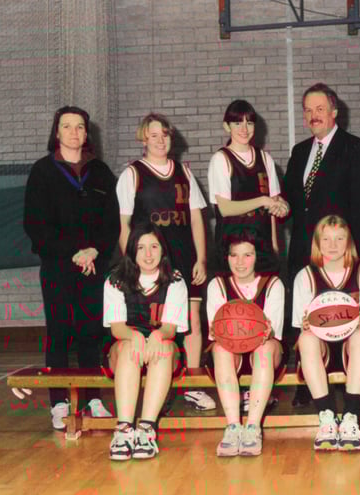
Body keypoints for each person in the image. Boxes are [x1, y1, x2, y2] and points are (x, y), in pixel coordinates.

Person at [23, 106, 120, 431]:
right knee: (60, 332)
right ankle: (59, 402)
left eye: (79, 126)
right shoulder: (42, 171)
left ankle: (93, 398)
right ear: (57, 132)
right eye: (67, 126)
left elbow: (111, 223)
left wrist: (95, 250)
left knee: (92, 332)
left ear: (86, 133)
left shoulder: (100, 171)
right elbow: (35, 225)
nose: (74, 132)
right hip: (58, 266)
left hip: (94, 265)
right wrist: (73, 253)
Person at [116, 113, 215, 411]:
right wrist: (131, 262)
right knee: (154, 319)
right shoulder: (132, 174)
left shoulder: (184, 172)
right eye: (154, 135)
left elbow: (196, 218)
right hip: (148, 257)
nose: (160, 140)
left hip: (183, 255)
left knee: (193, 320)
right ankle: (153, 381)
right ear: (143, 139)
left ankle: (193, 385)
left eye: (165, 134)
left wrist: (201, 258)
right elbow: (124, 225)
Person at [283, 83, 360, 407]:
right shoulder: (299, 152)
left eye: (319, 109)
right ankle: (306, 383)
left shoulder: (356, 148)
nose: (313, 115)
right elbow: (293, 201)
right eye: (308, 110)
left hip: (338, 250)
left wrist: (353, 253)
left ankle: (347, 380)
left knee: (341, 314)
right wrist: (279, 206)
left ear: (335, 111)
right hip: (304, 250)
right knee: (305, 317)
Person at [292, 215, 360, 451]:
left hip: (353, 349)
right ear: (317, 243)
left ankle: (351, 417)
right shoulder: (305, 276)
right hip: (321, 350)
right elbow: (301, 325)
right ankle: (327, 418)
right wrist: (308, 325)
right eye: (326, 239)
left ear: (349, 242)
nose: (333, 245)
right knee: (306, 338)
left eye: (339, 238)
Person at [103, 223, 187, 460]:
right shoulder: (115, 280)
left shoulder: (175, 280)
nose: (148, 254)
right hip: (126, 346)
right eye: (141, 248)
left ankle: (146, 430)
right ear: (132, 251)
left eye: (154, 246)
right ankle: (124, 430)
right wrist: (136, 336)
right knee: (130, 347)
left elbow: (170, 328)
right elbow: (118, 328)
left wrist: (157, 335)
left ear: (163, 249)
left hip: (163, 347)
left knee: (162, 347)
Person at [207, 231, 285, 457]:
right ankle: (233, 427)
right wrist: (218, 331)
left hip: (266, 351)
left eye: (247, 255)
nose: (240, 262)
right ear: (226, 257)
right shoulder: (217, 285)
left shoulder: (273, 284)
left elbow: (273, 332)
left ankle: (252, 427)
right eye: (234, 255)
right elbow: (216, 334)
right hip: (231, 354)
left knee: (264, 347)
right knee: (220, 347)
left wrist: (263, 332)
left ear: (258, 256)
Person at [207, 99, 289, 275]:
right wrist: (263, 200)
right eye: (238, 123)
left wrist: (275, 245)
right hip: (233, 250)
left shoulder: (265, 158)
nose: (244, 129)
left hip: (262, 248)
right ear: (227, 126)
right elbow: (225, 208)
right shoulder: (221, 159)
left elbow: (273, 207)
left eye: (249, 123)